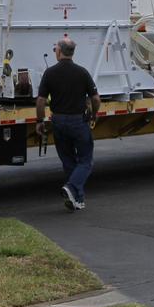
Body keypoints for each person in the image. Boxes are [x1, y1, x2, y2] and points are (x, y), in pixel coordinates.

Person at [36, 37, 101, 212]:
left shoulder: (50, 73)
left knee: (68, 160)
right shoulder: (82, 73)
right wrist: (94, 114)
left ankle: (77, 199)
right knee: (85, 161)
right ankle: (72, 188)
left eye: (55, 49)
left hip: (58, 121)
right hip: (78, 121)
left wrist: (40, 121)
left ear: (59, 51)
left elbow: (41, 101)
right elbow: (95, 99)